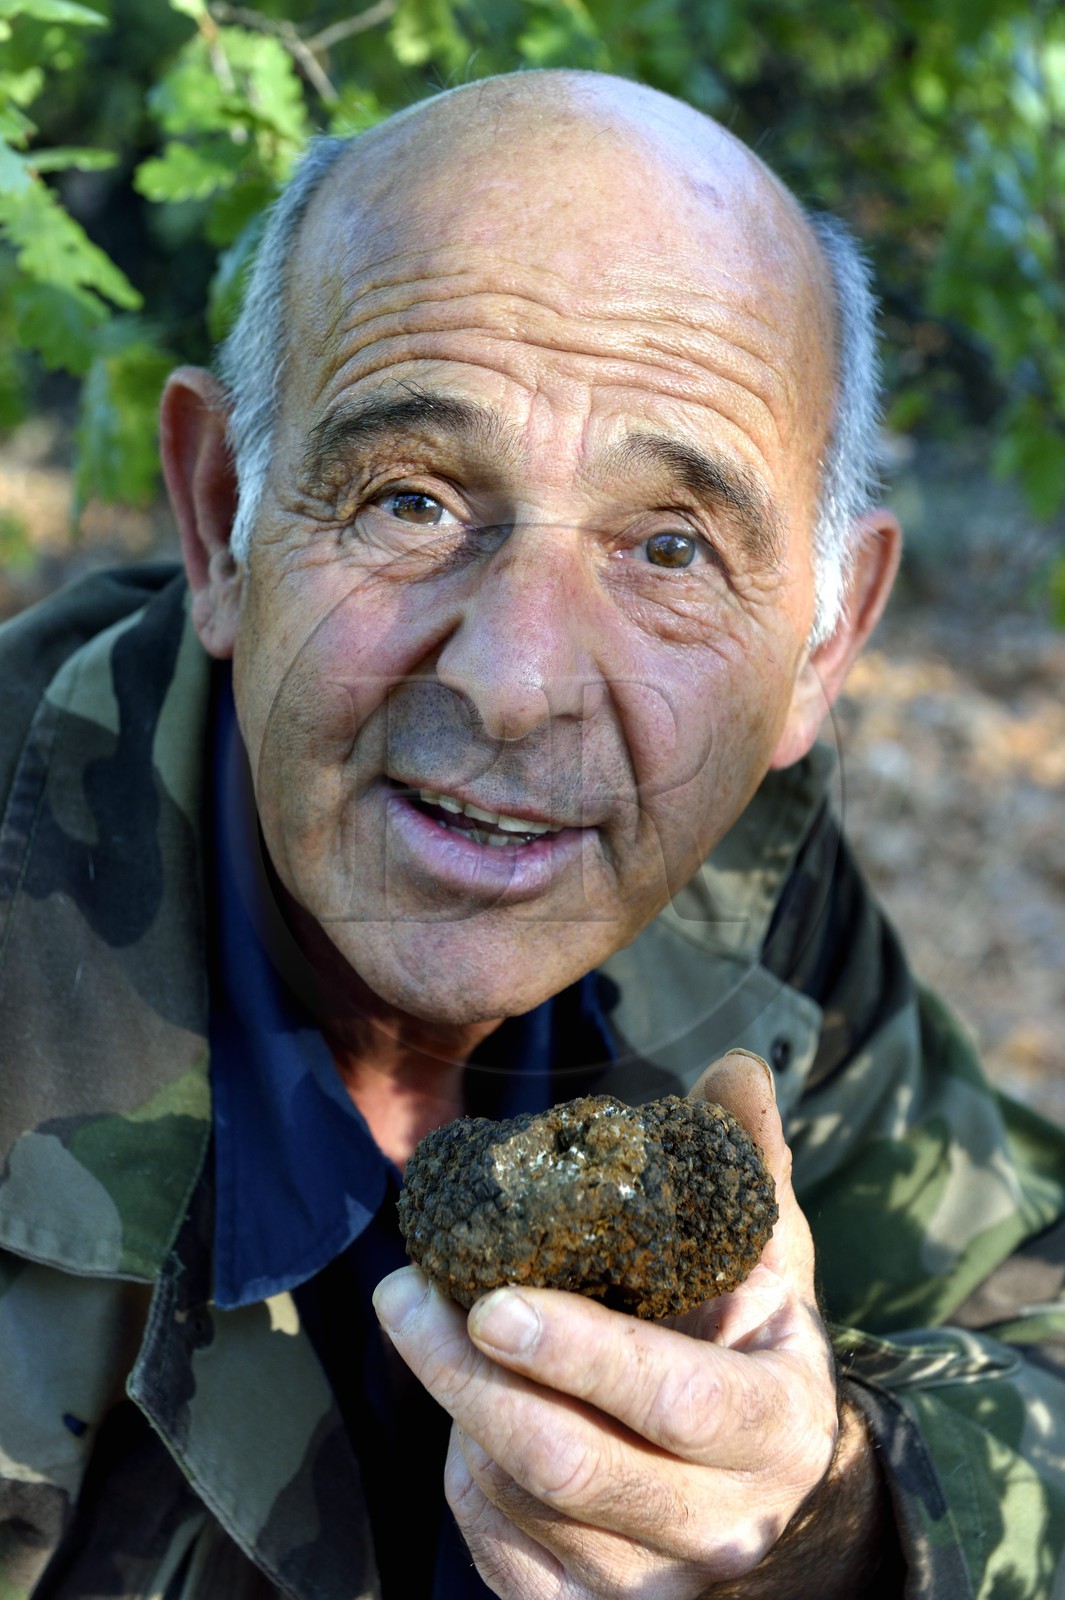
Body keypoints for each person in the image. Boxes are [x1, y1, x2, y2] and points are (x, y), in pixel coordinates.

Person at [1, 67, 1063, 1600]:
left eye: (670, 547)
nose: (513, 682)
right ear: (221, 513)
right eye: (410, 502)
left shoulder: (742, 891)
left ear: (819, 648)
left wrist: (826, 1518)